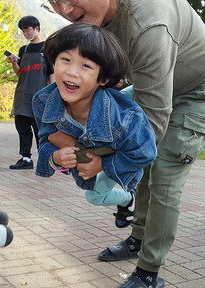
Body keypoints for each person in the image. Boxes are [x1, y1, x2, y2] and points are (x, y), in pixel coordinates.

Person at [17, 0, 205, 288]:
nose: (65, 10)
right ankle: (137, 236)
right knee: (128, 156)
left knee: (161, 170)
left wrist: (101, 159)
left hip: (198, 90)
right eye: (52, 1)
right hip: (155, 84)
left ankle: (149, 271)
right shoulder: (95, 11)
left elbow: (150, 125)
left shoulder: (148, 23)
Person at [33, 23, 157, 227]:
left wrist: (102, 164)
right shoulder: (43, 101)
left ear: (103, 78)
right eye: (66, 59)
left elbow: (145, 153)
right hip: (98, 116)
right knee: (91, 195)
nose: (72, 72)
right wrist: (54, 157)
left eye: (86, 65)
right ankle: (128, 199)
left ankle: (129, 198)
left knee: (94, 196)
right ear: (53, 61)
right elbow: (46, 140)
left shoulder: (126, 118)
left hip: (116, 146)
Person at [8, 15, 52, 170]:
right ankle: (25, 158)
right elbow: (20, 73)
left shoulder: (47, 49)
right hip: (22, 96)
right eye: (23, 31)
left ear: (37, 28)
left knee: (40, 130)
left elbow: (52, 74)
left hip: (39, 97)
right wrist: (14, 63)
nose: (25, 33)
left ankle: (45, 159)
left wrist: (53, 96)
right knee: (23, 128)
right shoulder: (23, 50)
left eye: (27, 30)